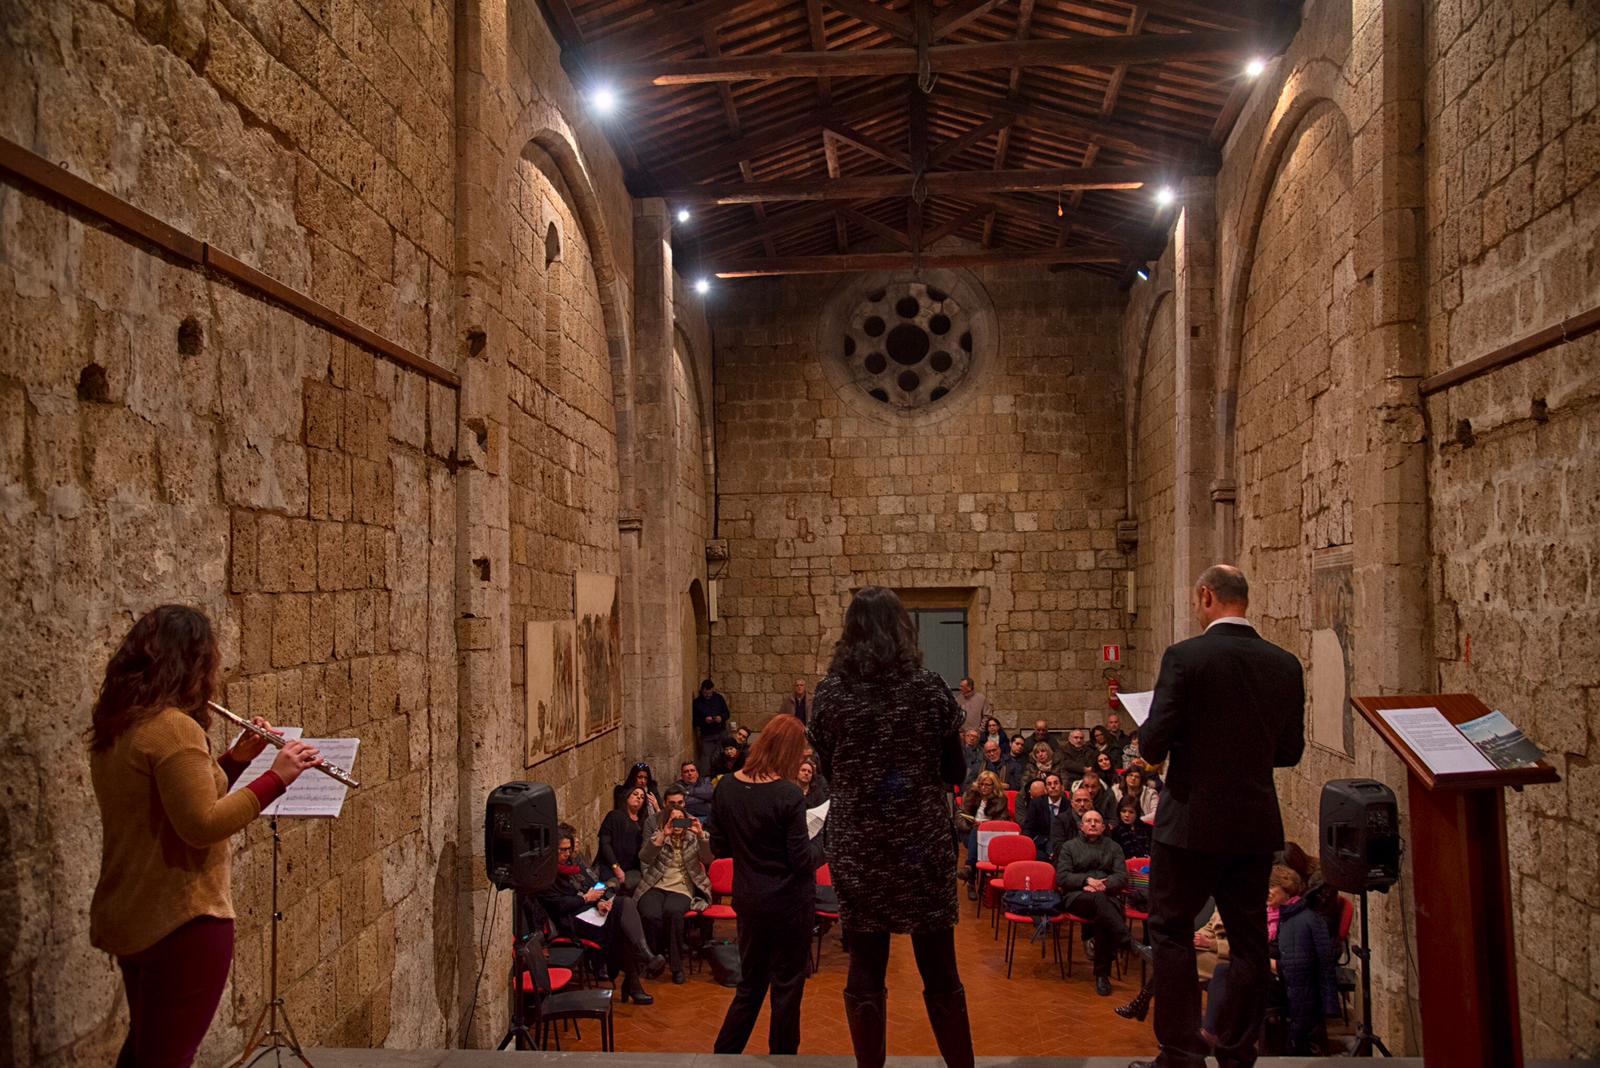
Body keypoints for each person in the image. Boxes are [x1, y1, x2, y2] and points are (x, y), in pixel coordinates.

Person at [88, 605, 324, 1068]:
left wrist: (237, 760)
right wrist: (278, 776)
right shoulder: (174, 728)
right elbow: (202, 825)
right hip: (183, 919)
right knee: (168, 1058)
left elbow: (175, 802)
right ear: (194, 664)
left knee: (145, 1052)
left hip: (135, 914)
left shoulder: (121, 725)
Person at [1132, 564, 1305, 1068]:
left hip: (1189, 822)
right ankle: (1235, 1051)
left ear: (1206, 596)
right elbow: (1290, 751)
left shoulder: (1185, 658)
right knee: (1250, 941)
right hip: (1252, 824)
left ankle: (1182, 1052)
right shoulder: (1285, 663)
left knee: (1171, 931)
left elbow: (1152, 743)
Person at [808, 586, 974, 1068]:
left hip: (860, 846)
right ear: (904, 629)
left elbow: (830, 769)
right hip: (920, 844)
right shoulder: (928, 687)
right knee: (940, 967)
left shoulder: (832, 694)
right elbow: (956, 773)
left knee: (865, 964)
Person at [711, 715, 821, 1055]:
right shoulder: (788, 794)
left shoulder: (727, 786)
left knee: (749, 987)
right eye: (800, 750)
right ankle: (783, 1062)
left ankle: (723, 1058)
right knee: (786, 991)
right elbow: (802, 860)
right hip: (789, 905)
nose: (804, 757)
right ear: (787, 751)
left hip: (750, 901)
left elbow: (719, 848)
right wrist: (824, 841)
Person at [535, 828, 664, 1004]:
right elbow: (559, 905)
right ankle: (642, 962)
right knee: (624, 908)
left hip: (591, 913)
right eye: (562, 850)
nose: (567, 854)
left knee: (621, 915)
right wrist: (586, 898)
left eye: (568, 849)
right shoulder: (544, 875)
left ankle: (635, 978)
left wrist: (600, 901)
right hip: (572, 922)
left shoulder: (574, 866)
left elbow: (594, 884)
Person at [1056, 810, 1148, 996]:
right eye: (1088, 821)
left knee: (1103, 914)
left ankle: (1102, 975)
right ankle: (1126, 942)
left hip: (1106, 895)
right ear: (1081, 826)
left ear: (1103, 827)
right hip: (1077, 897)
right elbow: (1063, 877)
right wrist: (1086, 881)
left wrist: (1104, 886)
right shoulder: (1069, 847)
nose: (1092, 824)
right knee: (1106, 905)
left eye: (1096, 821)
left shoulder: (1114, 847)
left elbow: (1122, 877)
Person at [635, 784, 712, 984]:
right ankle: (654, 959)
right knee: (650, 913)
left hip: (681, 886)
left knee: (674, 913)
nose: (678, 823)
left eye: (681, 818)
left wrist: (700, 835)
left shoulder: (694, 838)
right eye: (673, 819)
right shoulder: (659, 836)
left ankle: (677, 967)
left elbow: (708, 858)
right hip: (657, 884)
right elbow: (644, 856)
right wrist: (664, 835)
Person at [955, 770, 1010, 894]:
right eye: (981, 784)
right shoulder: (971, 795)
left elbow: (1004, 819)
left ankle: (970, 874)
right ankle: (974, 875)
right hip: (969, 832)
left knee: (980, 830)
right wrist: (971, 826)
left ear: (994, 786)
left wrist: (987, 825)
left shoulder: (1001, 799)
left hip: (990, 835)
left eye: (987, 785)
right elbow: (960, 815)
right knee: (976, 831)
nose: (983, 788)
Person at [598, 785, 650, 890]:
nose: (639, 798)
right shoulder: (614, 816)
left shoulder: (644, 822)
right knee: (609, 886)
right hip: (611, 866)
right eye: (635, 794)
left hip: (632, 869)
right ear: (627, 797)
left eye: (642, 797)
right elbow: (605, 843)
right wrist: (616, 867)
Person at [1020, 772, 1069, 859]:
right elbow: (1028, 827)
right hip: (1041, 845)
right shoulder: (1036, 804)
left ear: (1062, 787)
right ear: (1045, 789)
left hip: (1063, 846)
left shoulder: (1068, 805)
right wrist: (1026, 845)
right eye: (1049, 784)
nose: (1053, 786)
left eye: (1056, 783)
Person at [1046, 786, 1096, 861]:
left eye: (1085, 800)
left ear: (1091, 803)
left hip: (1095, 860)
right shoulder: (1060, 820)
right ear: (1072, 803)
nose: (1082, 804)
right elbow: (1058, 848)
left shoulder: (1098, 819)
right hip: (1068, 862)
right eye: (1078, 801)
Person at [693, 678, 731, 773]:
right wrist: (704, 720)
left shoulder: (719, 698)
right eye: (706, 693)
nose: (708, 695)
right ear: (702, 690)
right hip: (707, 735)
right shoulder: (697, 703)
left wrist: (721, 718)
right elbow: (694, 720)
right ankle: (706, 778)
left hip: (721, 732)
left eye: (710, 693)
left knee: (723, 754)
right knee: (706, 758)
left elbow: (727, 713)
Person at [674, 759, 715, 827]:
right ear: (681, 775)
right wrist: (704, 799)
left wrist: (688, 791)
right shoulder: (677, 786)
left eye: (692, 770)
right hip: (686, 820)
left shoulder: (706, 781)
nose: (690, 773)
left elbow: (712, 795)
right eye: (686, 772)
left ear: (697, 773)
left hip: (707, 818)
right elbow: (684, 802)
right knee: (676, 823)